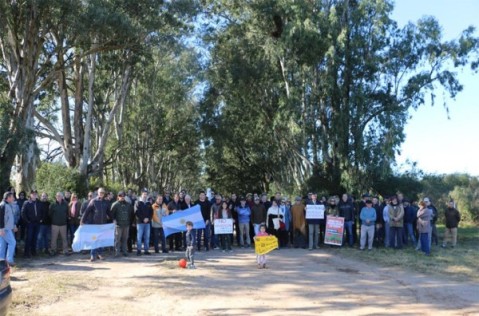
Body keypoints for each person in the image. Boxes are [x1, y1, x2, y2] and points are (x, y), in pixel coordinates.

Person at [81, 187, 112, 262]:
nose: (101, 194)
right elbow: (87, 211)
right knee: (94, 240)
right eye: (100, 192)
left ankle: (100, 254)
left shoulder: (106, 202)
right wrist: (82, 220)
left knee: (101, 240)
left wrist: (113, 219)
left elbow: (109, 212)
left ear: (104, 194)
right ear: (97, 193)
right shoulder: (93, 201)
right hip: (94, 224)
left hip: (103, 225)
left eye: (103, 193)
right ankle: (92, 255)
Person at [21, 190, 43, 258]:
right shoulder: (26, 203)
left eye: (35, 194)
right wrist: (27, 221)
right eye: (33, 194)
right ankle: (26, 253)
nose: (34, 195)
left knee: (35, 238)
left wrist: (41, 219)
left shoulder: (39, 203)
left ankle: (33, 252)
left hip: (37, 223)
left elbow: (42, 212)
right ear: (30, 195)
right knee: (29, 238)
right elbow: (23, 213)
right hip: (30, 223)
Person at [111, 191, 133, 257]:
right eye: (121, 196)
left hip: (126, 224)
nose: (122, 197)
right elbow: (112, 214)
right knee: (117, 239)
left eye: (123, 196)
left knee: (125, 239)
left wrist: (130, 222)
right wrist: (114, 220)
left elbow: (130, 214)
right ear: (118, 197)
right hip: (118, 225)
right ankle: (117, 252)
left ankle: (124, 252)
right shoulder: (115, 204)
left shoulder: (128, 205)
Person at [0, 192, 18, 266]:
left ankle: (1, 261)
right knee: (12, 242)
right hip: (5, 229)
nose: (13, 198)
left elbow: (10, 217)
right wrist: (1, 229)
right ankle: (9, 260)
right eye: (12, 197)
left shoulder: (8, 205)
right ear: (8, 198)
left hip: (7, 228)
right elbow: (0, 218)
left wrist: (13, 225)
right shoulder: (3, 205)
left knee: (2, 245)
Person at [134, 189, 153, 256]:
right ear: (141, 194)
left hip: (147, 223)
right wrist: (143, 219)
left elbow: (151, 213)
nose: (145, 195)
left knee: (147, 237)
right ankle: (139, 250)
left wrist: (148, 219)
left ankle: (146, 250)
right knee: (139, 237)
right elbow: (136, 212)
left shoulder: (148, 203)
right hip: (140, 223)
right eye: (144, 194)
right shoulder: (137, 202)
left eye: (146, 194)